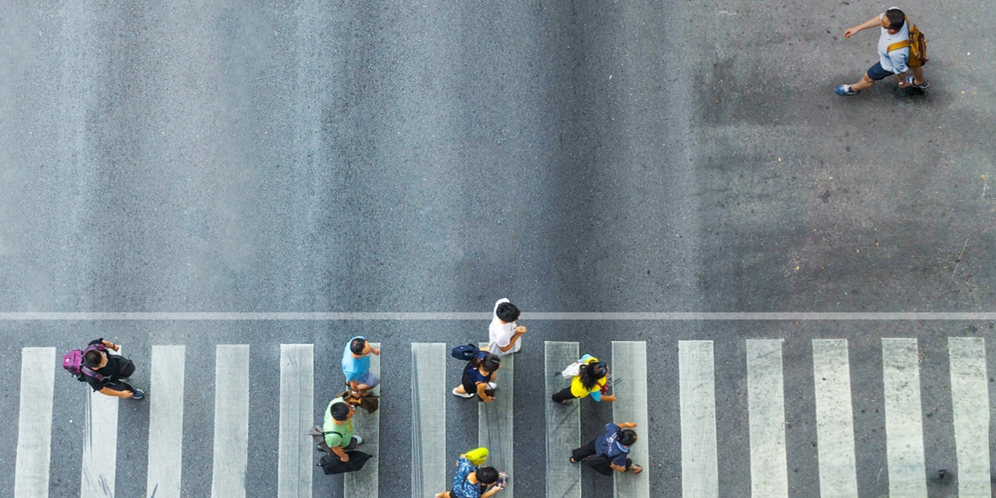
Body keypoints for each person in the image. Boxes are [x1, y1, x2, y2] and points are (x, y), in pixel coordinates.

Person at [835, 7, 928, 96]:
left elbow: (900, 70)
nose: (880, 21)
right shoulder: (898, 16)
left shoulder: (895, 51)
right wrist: (857, 28)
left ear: (892, 30)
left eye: (882, 22)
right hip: (911, 52)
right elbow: (880, 17)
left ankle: (853, 89)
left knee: (868, 78)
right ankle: (920, 82)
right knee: (914, 64)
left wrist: (902, 82)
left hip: (887, 65)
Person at [571, 422, 643, 475]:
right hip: (604, 455)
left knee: (586, 450)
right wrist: (623, 469)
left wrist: (626, 425)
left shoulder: (615, 432)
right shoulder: (621, 453)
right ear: (626, 445)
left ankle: (575, 458)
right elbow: (616, 465)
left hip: (598, 443)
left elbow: (615, 426)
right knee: (626, 463)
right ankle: (634, 468)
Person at [551, 355, 615, 404]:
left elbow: (585, 357)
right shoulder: (595, 386)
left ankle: (558, 398)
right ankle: (557, 398)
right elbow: (597, 397)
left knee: (565, 392)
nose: (607, 367)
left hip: (576, 387)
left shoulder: (591, 361)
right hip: (577, 391)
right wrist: (609, 398)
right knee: (565, 394)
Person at [435, 454, 505, 498]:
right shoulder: (472, 493)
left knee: (449, 495)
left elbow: (460, 460)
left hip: (458, 487)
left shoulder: (466, 466)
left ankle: (439, 495)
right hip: (461, 495)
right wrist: (493, 491)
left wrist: (465, 457)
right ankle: (495, 482)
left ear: (484, 467)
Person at [322, 397, 364, 462]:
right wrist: (344, 456)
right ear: (342, 420)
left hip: (346, 433)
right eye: (350, 415)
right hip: (344, 441)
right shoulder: (333, 436)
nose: (353, 413)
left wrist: (351, 407)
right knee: (352, 445)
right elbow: (335, 448)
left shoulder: (337, 402)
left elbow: (346, 403)